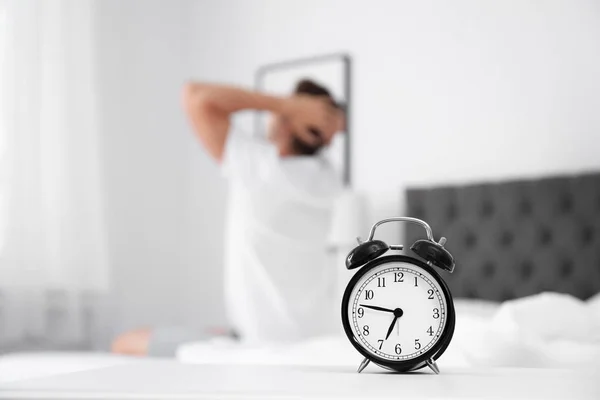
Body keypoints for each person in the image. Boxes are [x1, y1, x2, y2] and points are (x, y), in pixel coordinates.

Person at [111, 79, 344, 355]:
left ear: (285, 121)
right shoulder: (329, 180)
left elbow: (195, 96)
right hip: (312, 336)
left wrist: (287, 105)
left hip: (257, 343)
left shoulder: (262, 170)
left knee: (124, 343)